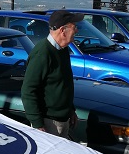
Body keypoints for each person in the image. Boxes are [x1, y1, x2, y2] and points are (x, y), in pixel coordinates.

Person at [21, 9, 84, 137]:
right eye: (74, 27)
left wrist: (70, 110)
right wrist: (37, 124)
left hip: (63, 120)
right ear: (63, 30)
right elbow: (28, 90)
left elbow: (62, 84)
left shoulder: (63, 50)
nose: (77, 31)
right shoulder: (42, 53)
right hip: (49, 122)